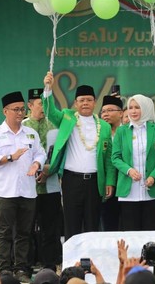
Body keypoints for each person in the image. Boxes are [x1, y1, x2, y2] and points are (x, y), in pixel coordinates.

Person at [42, 72, 115, 241]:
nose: (85, 103)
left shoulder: (103, 126)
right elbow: (50, 111)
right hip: (71, 180)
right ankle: (70, 264)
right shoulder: (67, 118)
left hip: (95, 181)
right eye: (81, 100)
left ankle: (90, 263)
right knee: (72, 224)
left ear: (95, 102)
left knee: (92, 225)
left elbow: (109, 157)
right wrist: (48, 89)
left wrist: (110, 181)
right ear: (75, 103)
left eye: (89, 100)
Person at [0, 91, 46, 281]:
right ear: (5, 111)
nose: (20, 113)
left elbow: (40, 153)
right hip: (5, 191)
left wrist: (36, 164)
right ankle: (5, 270)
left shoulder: (31, 133)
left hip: (27, 191)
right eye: (16, 109)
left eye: (22, 109)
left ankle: (21, 269)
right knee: (4, 233)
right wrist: (10, 157)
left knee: (24, 233)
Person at [111, 94, 155, 231]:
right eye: (130, 108)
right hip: (129, 190)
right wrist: (129, 170)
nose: (133, 111)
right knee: (131, 231)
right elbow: (115, 157)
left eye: (137, 107)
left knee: (150, 230)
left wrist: (153, 177)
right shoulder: (121, 131)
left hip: (151, 189)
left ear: (146, 108)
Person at [22, 88, 63, 270]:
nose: (43, 108)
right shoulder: (21, 126)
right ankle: (26, 265)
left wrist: (48, 170)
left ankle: (50, 265)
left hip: (51, 186)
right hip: (27, 187)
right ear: (30, 106)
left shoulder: (55, 126)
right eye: (39, 104)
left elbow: (61, 153)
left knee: (50, 229)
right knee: (26, 228)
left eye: (45, 104)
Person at [100, 95, 124, 232]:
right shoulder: (100, 133)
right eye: (103, 111)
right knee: (108, 225)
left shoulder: (128, 131)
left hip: (126, 184)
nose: (105, 114)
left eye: (110, 110)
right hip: (106, 186)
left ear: (121, 113)